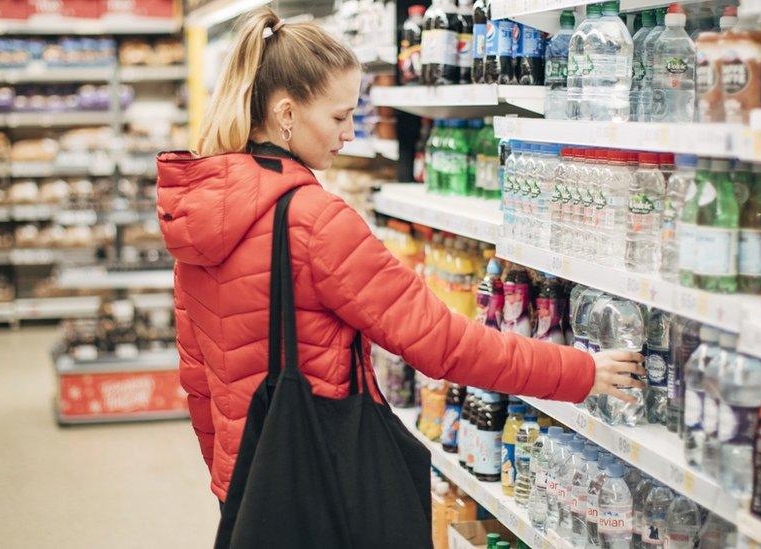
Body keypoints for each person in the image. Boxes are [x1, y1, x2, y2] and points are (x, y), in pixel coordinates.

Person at [156, 8, 645, 508]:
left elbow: (198, 381)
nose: (348, 134)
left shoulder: (195, 214)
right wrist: (580, 371)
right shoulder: (315, 222)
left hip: (247, 487)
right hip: (318, 486)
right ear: (286, 114)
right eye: (339, 117)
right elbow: (443, 343)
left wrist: (230, 486)